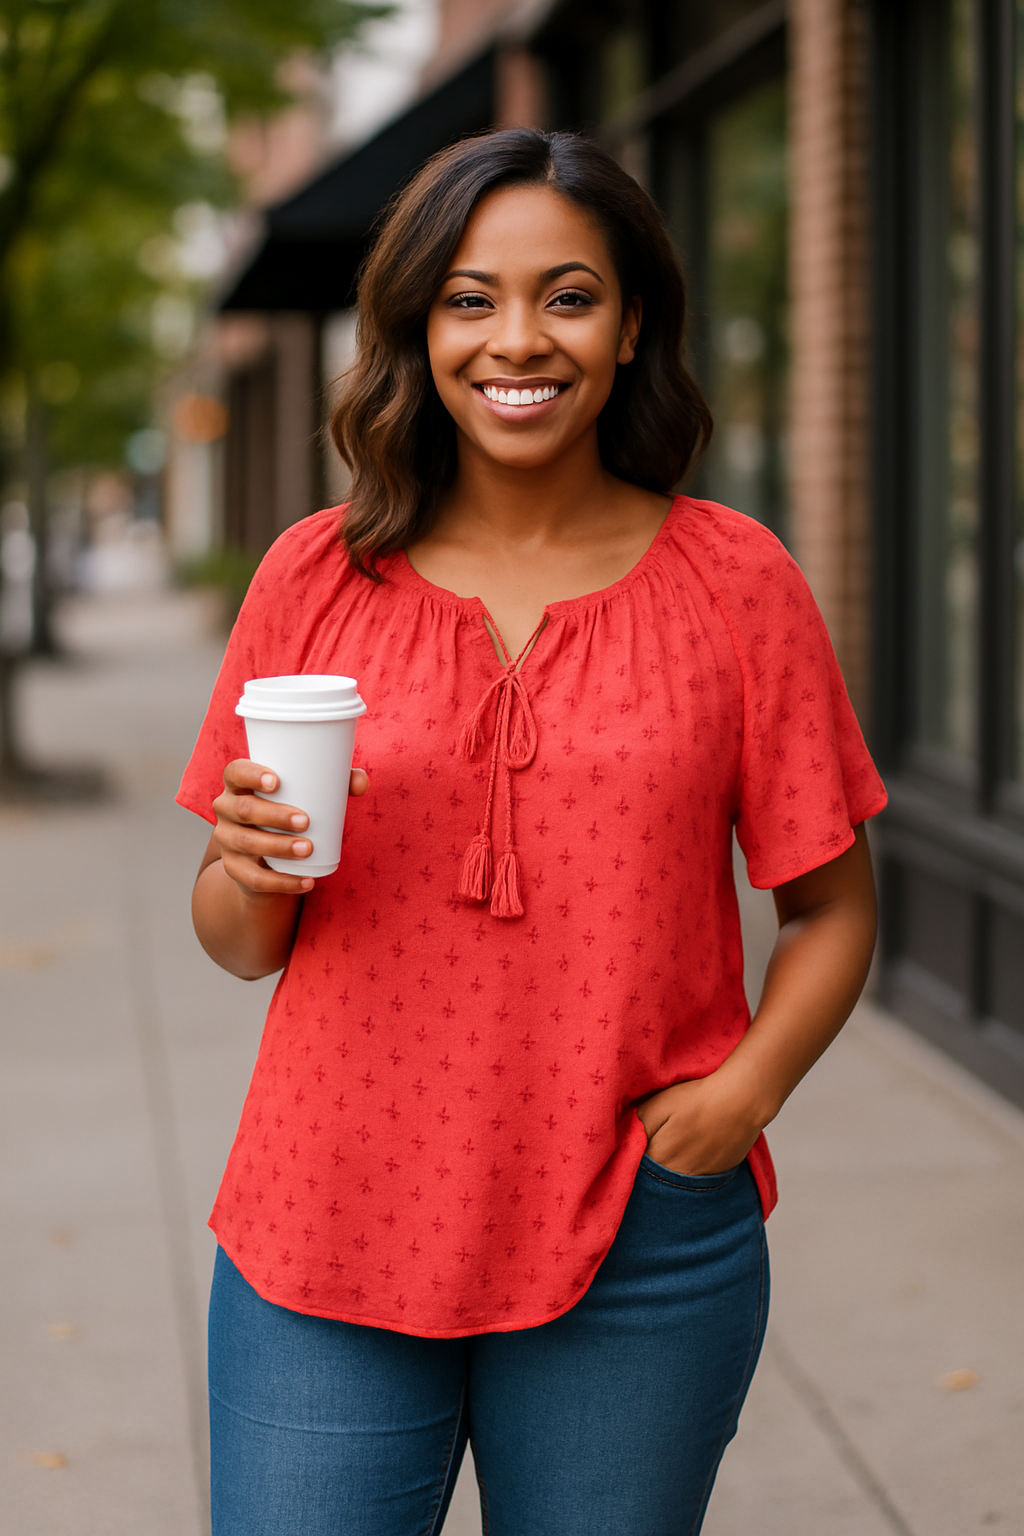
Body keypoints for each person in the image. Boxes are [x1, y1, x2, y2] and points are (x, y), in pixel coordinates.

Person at [177, 128, 886, 1536]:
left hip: (640, 1234)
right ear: (417, 330)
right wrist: (244, 867)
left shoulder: (737, 582)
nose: (519, 338)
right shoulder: (316, 576)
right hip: (328, 1217)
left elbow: (833, 906)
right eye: (468, 297)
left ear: (631, 330)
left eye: (567, 296)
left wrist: (740, 1102)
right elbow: (240, 942)